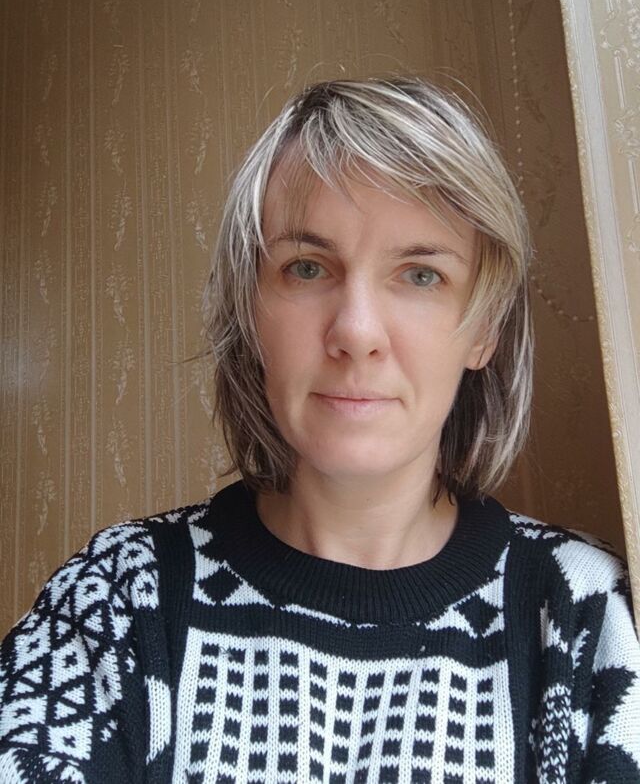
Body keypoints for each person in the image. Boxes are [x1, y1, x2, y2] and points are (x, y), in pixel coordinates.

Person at [1, 78, 639, 783]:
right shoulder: (118, 596)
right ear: (250, 308)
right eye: (307, 268)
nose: (356, 332)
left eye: (421, 275)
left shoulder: (583, 611)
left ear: (484, 328)